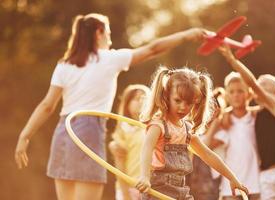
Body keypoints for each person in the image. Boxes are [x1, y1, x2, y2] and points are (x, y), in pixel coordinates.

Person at [14, 13, 208, 200]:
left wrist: (25, 135)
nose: (110, 39)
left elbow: (48, 105)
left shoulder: (65, 64)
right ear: (98, 33)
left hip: (63, 132)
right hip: (89, 131)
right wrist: (186, 35)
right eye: (108, 33)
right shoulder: (108, 59)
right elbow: (153, 48)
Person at [135, 67, 248, 200]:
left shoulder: (187, 129)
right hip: (157, 189)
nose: (183, 107)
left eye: (189, 103)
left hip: (180, 190)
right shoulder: (158, 125)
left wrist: (232, 178)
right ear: (166, 96)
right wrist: (144, 176)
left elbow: (208, 155)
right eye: (178, 100)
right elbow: (146, 149)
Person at [219, 46, 275, 200]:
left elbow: (252, 83)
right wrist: (227, 112)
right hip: (265, 175)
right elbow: (242, 111)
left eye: (262, 85)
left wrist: (232, 61)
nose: (256, 88)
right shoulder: (257, 112)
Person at [208, 72, 261, 200]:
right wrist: (219, 119)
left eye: (240, 91)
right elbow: (207, 146)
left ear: (249, 93)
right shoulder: (224, 122)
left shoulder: (256, 117)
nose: (236, 95)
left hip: (255, 184)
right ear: (227, 95)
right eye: (231, 92)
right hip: (230, 187)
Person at [109, 84, 150, 200]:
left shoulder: (155, 129)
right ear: (127, 104)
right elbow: (120, 164)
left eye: (145, 98)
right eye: (137, 99)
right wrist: (126, 194)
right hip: (129, 188)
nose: (142, 102)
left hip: (152, 188)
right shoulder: (124, 130)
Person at [186, 87, 227, 200]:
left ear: (217, 111)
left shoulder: (222, 134)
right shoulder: (198, 132)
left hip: (211, 182)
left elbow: (204, 147)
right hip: (194, 181)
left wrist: (215, 124)